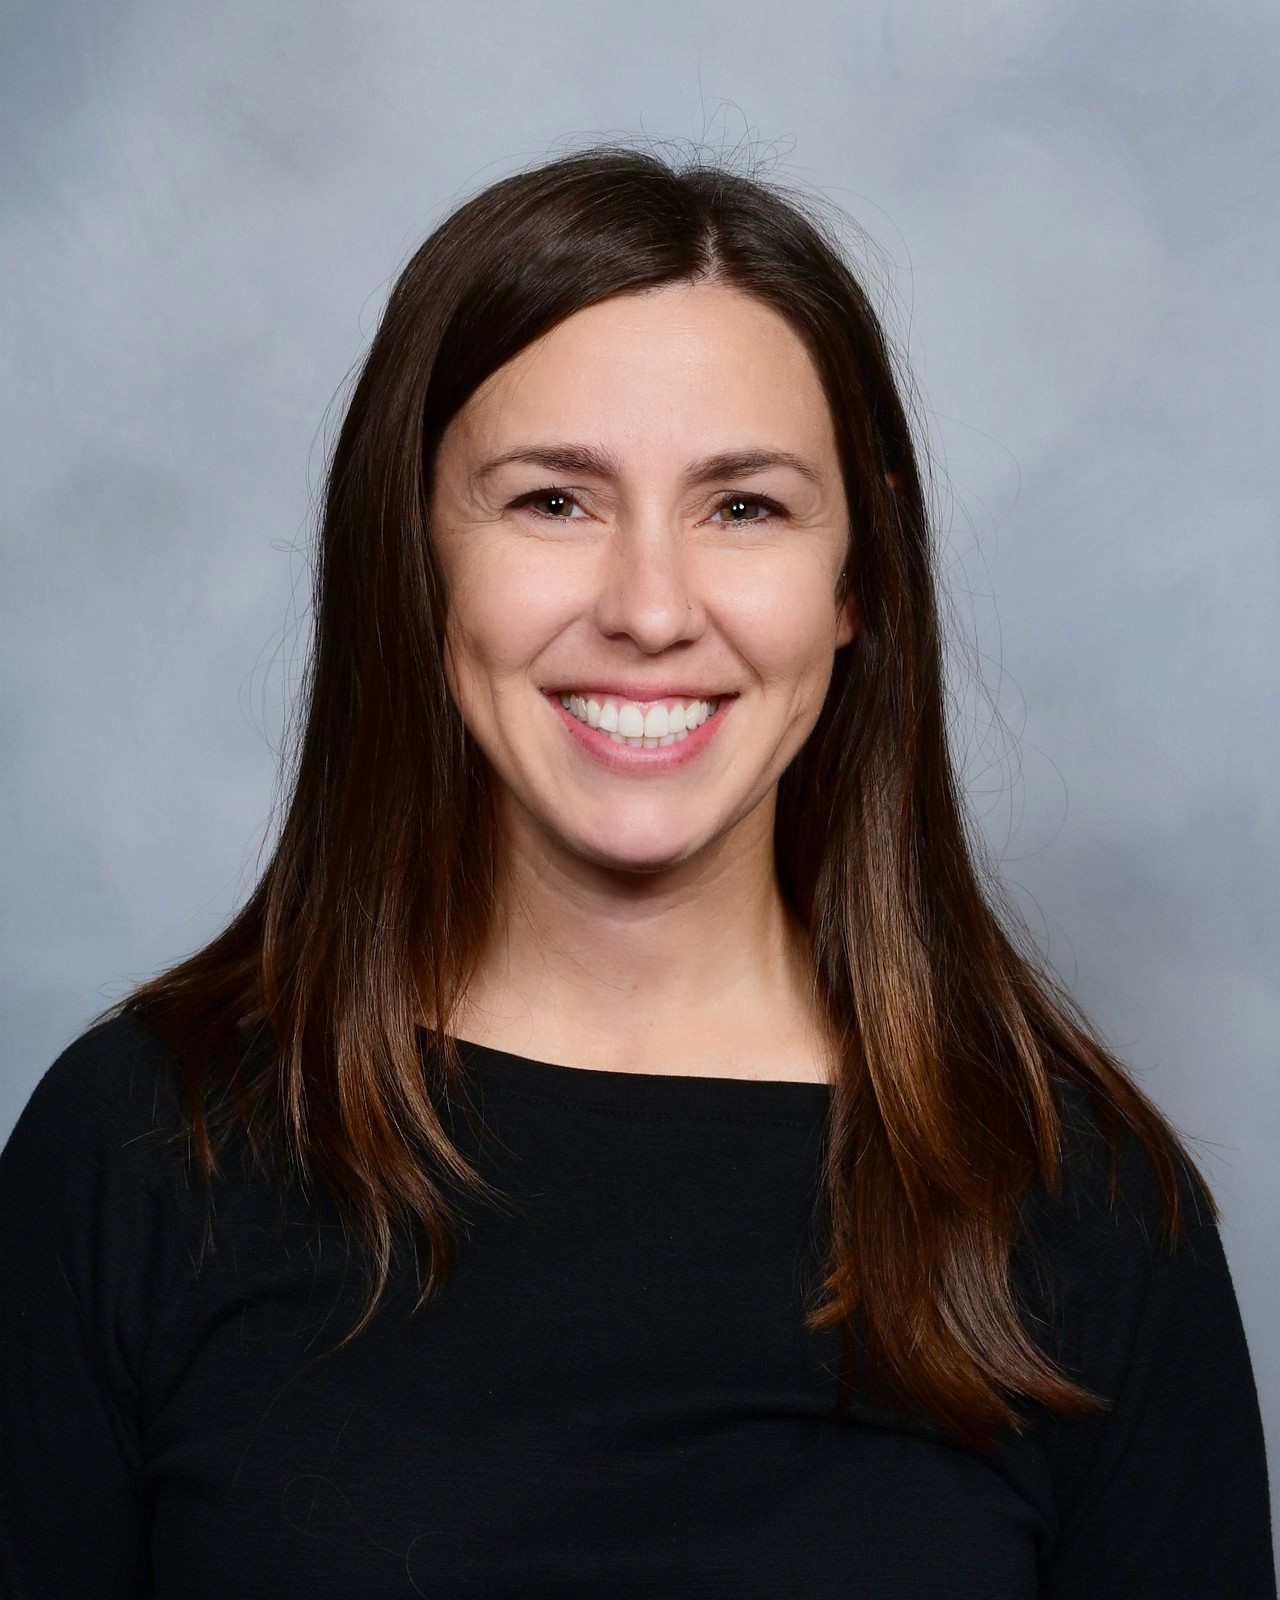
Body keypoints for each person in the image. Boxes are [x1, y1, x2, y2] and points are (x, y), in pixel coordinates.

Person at [1, 142, 1273, 1598]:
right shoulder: (142, 1154)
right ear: (412, 553)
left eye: (745, 507)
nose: (651, 610)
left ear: (857, 578)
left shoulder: (1082, 1204)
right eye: (555, 501)